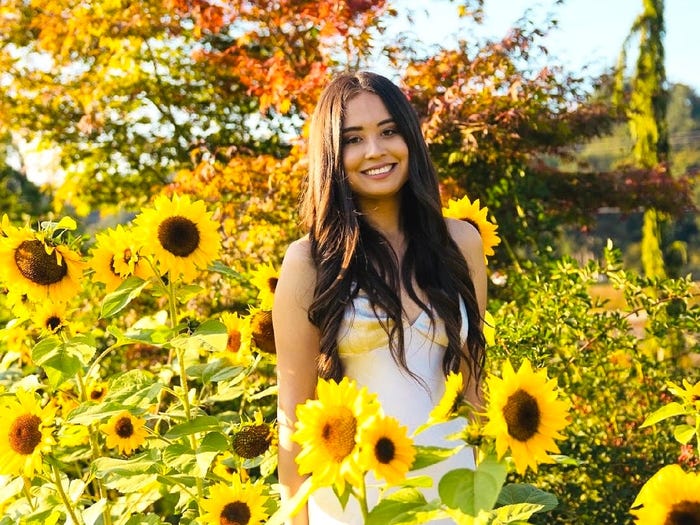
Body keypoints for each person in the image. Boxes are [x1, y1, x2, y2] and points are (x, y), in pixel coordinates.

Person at [273, 71, 487, 525]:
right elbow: (292, 419)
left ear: (410, 138)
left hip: (452, 500)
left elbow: (473, 392)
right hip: (353, 505)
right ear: (332, 155)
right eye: (353, 139)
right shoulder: (309, 263)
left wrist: (485, 500)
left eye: (389, 131)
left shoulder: (461, 244)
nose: (375, 151)